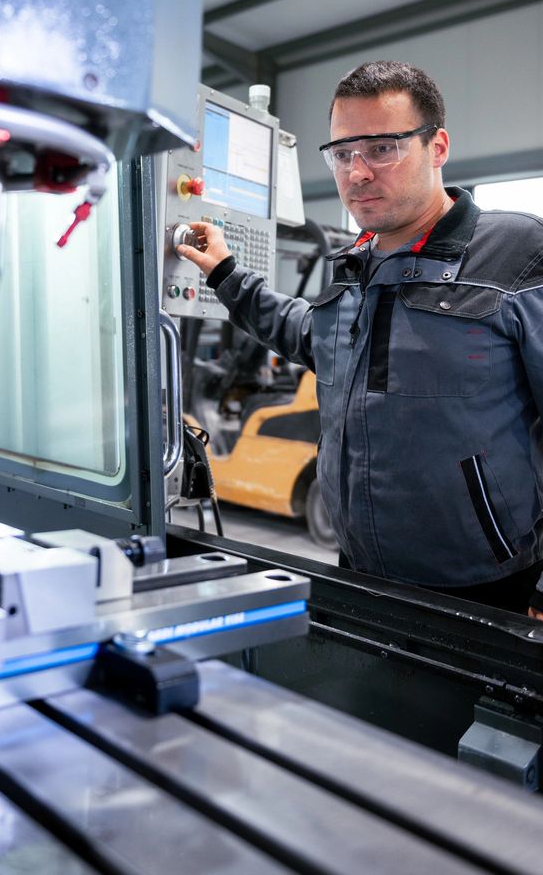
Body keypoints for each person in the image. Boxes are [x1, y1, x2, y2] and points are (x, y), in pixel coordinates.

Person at [178, 61, 543, 618]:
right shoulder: (354, 263)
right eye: (343, 153)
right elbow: (310, 335)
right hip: (358, 569)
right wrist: (227, 275)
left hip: (488, 587)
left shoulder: (516, 253)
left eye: (382, 149)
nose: (357, 172)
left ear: (438, 147)